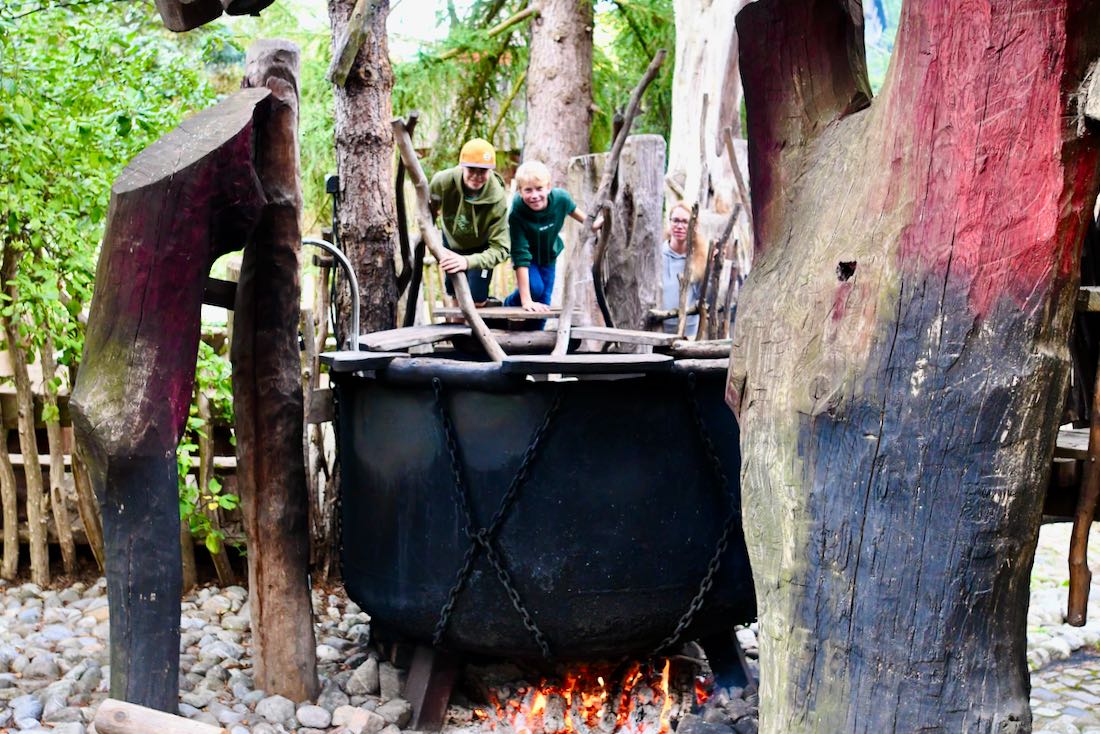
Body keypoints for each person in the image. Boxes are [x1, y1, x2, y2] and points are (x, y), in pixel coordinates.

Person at [503, 160, 601, 321]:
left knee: (544, 300)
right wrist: (526, 300)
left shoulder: (561, 199)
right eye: (528, 190)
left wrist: (594, 224)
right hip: (528, 258)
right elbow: (520, 255)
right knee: (535, 288)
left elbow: (576, 213)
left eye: (539, 188)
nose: (535, 195)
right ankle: (509, 303)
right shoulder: (517, 212)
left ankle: (536, 334)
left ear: (548, 187)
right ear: (520, 191)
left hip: (549, 256)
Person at [429, 138, 511, 306]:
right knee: (456, 298)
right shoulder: (442, 182)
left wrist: (467, 261)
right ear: (461, 166)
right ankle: (459, 324)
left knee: (476, 299)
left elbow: (501, 248)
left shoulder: (497, 199)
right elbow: (426, 212)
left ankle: (486, 307)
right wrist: (435, 243)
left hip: (481, 247)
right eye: (471, 169)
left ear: (490, 171)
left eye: (483, 171)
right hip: (452, 242)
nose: (476, 176)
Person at [660, 201, 706, 336]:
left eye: (685, 222)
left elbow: (705, 297)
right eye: (675, 220)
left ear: (694, 225)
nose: (679, 226)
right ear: (669, 222)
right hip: (658, 326)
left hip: (688, 330)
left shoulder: (700, 258)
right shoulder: (657, 254)